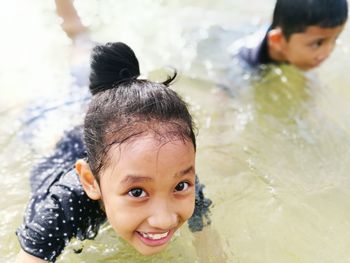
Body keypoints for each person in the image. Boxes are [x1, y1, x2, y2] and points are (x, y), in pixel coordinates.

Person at [16, 42, 211, 262]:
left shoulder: (177, 175)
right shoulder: (62, 203)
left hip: (113, 149)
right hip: (59, 142)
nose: (164, 220)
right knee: (47, 118)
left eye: (180, 186)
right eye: (137, 192)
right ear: (90, 181)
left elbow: (211, 248)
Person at [238, 0, 348, 70]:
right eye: (318, 44)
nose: (327, 53)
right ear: (277, 40)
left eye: (335, 39)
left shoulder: (295, 45)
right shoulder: (244, 63)